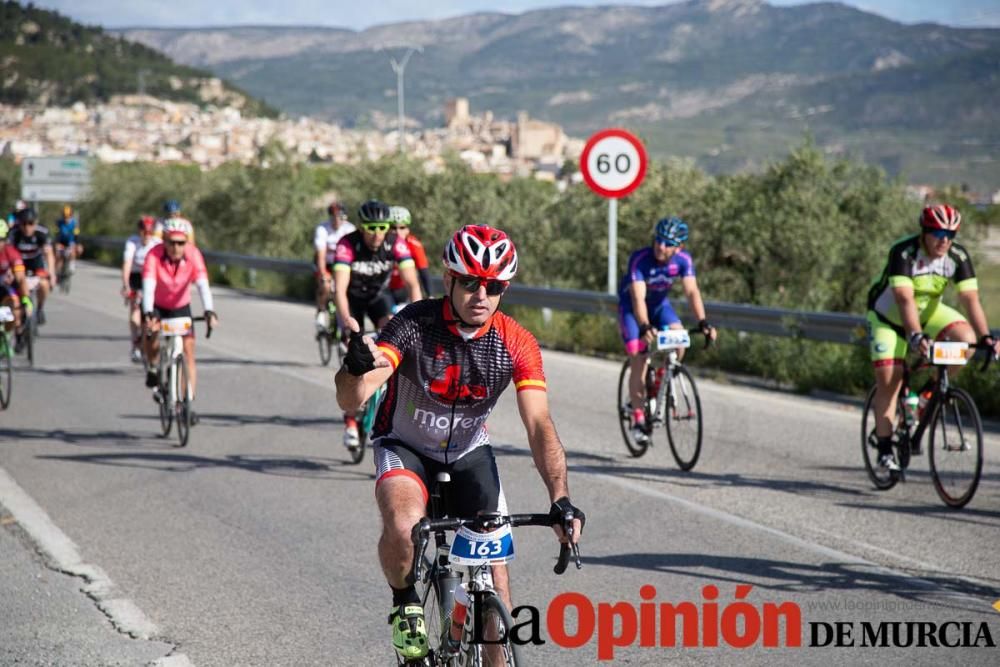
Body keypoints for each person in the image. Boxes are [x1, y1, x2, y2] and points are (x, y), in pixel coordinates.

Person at [334, 224, 584, 662]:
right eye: (470, 282)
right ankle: (405, 601)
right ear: (448, 279)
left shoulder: (516, 341)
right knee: (404, 524)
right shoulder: (414, 323)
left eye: (494, 285)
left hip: (469, 451)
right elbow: (352, 399)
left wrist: (561, 498)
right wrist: (353, 370)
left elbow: (539, 423)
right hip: (405, 446)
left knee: (496, 589)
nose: (481, 294)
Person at [865, 203, 1000, 471]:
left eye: (951, 235)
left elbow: (970, 299)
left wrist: (986, 337)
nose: (945, 241)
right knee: (889, 380)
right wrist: (915, 335)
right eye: (939, 234)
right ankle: (883, 448)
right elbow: (904, 299)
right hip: (889, 319)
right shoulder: (904, 252)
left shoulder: (956, 256)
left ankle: (927, 394)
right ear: (925, 232)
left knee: (965, 340)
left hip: (929, 313)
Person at [618, 216, 717, 445]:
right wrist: (644, 325)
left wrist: (703, 322)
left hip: (661, 306)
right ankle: (639, 416)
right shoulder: (640, 260)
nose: (660, 247)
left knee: (680, 340)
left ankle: (663, 374)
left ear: (679, 247)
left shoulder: (683, 260)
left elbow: (692, 292)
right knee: (639, 356)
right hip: (633, 309)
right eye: (658, 240)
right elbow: (638, 297)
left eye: (667, 243)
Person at [332, 199, 422, 449]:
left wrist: (418, 316)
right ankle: (350, 421)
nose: (376, 234)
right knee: (353, 359)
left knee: (391, 337)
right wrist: (347, 323)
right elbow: (339, 290)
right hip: (351, 301)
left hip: (377, 298)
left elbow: (412, 284)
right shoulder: (347, 244)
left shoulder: (396, 243)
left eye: (382, 227)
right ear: (361, 228)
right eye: (371, 227)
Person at [141, 218, 218, 419]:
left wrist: (209, 310)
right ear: (164, 241)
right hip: (157, 306)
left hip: (181, 307)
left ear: (187, 242)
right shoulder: (153, 256)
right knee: (152, 338)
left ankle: (187, 402)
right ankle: (152, 366)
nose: (176, 247)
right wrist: (149, 313)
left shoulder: (194, 255)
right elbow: (148, 287)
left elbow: (202, 285)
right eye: (172, 242)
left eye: (181, 243)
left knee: (188, 351)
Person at [122, 216, 162, 363]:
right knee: (135, 309)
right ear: (139, 231)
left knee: (149, 314)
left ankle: (146, 339)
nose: (147, 235)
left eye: (150, 232)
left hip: (152, 278)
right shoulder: (132, 242)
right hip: (136, 277)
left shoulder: (158, 243)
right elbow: (127, 264)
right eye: (144, 232)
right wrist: (126, 285)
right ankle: (135, 341)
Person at [313, 200, 355, 331]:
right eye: (333, 217)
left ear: (345, 217)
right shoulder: (322, 229)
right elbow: (321, 255)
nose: (336, 220)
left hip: (344, 265)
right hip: (326, 263)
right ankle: (321, 310)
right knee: (325, 284)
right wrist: (323, 273)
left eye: (340, 217)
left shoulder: (350, 229)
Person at [9, 207, 56, 325]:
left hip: (36, 265)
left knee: (44, 284)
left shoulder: (42, 232)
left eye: (30, 224)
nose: (27, 228)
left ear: (35, 223)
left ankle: (40, 308)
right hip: (18, 266)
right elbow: (7, 254)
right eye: (23, 224)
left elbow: (49, 253)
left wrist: (52, 273)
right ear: (19, 224)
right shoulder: (14, 234)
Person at [387, 206, 431, 305]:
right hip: (385, 289)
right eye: (393, 228)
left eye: (402, 227)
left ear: (408, 229)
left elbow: (423, 271)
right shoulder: (381, 243)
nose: (398, 232)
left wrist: (429, 295)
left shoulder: (415, 244)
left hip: (405, 289)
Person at [0, 219, 32, 352]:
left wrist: (26, 299)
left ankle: (9, 335)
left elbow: (21, 279)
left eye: (0, 239)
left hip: (6, 290)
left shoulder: (11, 253)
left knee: (14, 306)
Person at [54, 205, 83, 277]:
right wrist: (56, 244)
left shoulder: (74, 223)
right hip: (61, 242)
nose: (66, 218)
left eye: (68, 216)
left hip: (70, 242)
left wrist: (78, 245)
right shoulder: (59, 223)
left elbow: (77, 235)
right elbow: (57, 234)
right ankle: (57, 272)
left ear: (71, 215)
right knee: (58, 255)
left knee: (74, 250)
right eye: (65, 216)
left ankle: (71, 264)